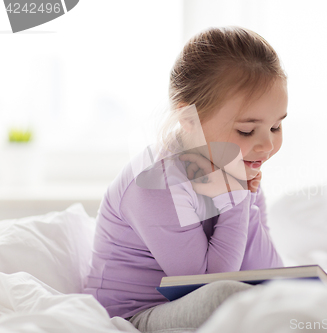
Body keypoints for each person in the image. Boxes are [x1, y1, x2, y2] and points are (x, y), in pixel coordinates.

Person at [82, 25, 288, 332]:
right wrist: (238, 197)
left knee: (288, 293)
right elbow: (208, 285)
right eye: (246, 130)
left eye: (275, 127)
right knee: (227, 298)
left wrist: (244, 199)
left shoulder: (237, 163)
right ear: (189, 119)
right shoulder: (155, 184)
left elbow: (267, 271)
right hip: (136, 314)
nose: (267, 145)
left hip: (201, 296)